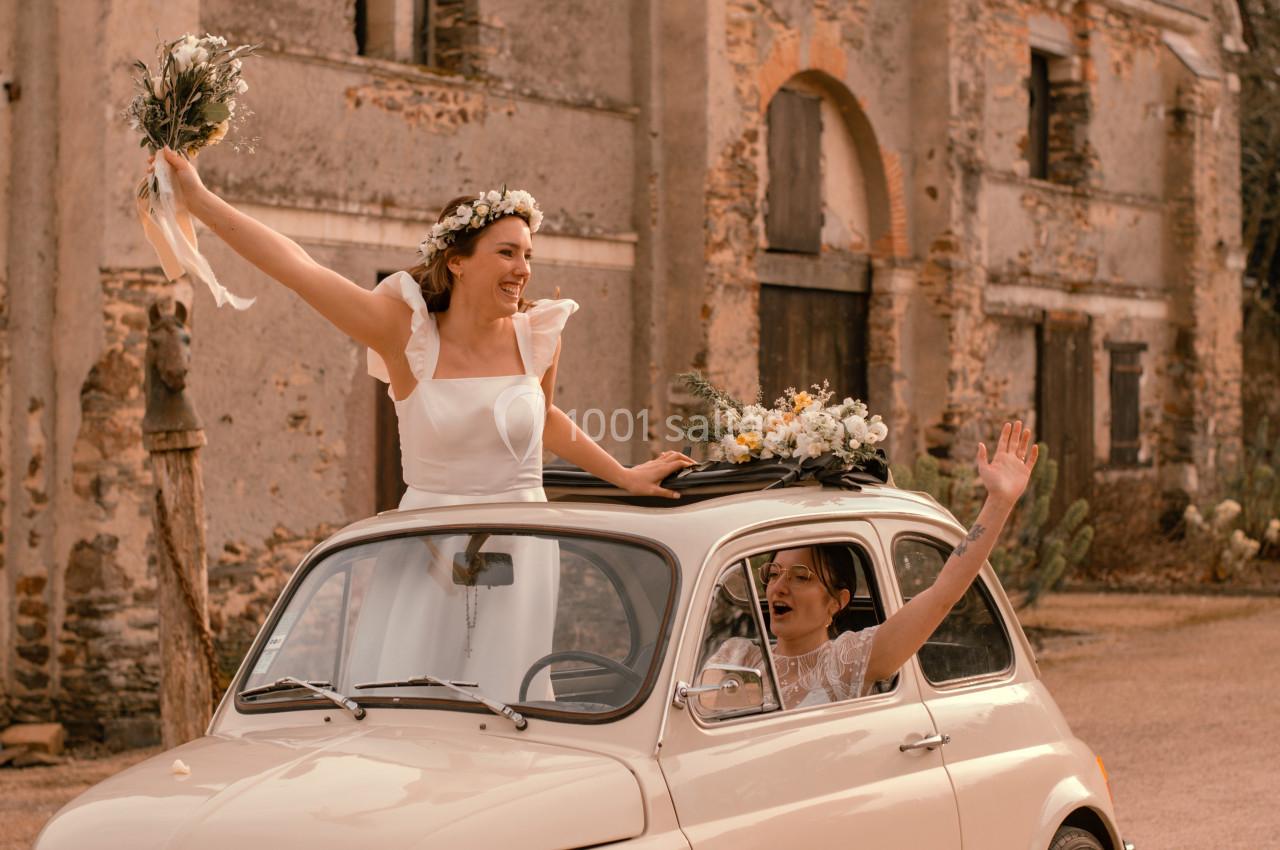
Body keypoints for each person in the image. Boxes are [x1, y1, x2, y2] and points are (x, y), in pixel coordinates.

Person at [151, 148, 694, 697]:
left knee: (509, 700)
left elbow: (546, 420)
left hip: (525, 548)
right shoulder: (406, 336)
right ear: (457, 260)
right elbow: (299, 269)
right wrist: (198, 199)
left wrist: (623, 475)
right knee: (408, 698)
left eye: (528, 255)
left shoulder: (539, 337)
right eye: (507, 253)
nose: (524, 270)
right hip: (425, 550)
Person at [705, 421, 1039, 709]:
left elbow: (941, 595)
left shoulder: (848, 661)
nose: (779, 586)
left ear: (837, 601)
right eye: (773, 573)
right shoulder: (735, 655)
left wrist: (999, 502)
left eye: (801, 576)